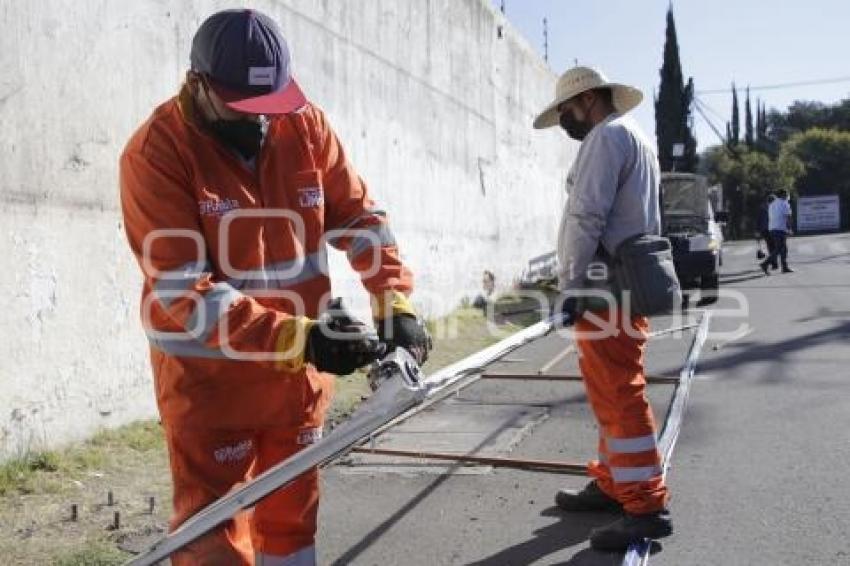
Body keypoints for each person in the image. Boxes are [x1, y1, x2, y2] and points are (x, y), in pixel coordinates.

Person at [119, 9, 431, 565]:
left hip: (295, 388)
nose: (263, 120)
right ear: (198, 86)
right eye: (247, 107)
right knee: (211, 538)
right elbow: (184, 291)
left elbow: (361, 220)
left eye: (273, 104)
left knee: (292, 528)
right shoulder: (156, 153)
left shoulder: (304, 126)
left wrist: (394, 299)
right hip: (210, 386)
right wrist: (304, 338)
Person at [533, 66, 672, 552]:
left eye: (567, 111)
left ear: (588, 100)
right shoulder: (636, 138)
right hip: (624, 282)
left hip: (605, 286)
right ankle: (615, 482)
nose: (566, 121)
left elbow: (586, 214)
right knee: (609, 392)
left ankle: (645, 507)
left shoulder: (604, 138)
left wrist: (569, 285)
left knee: (619, 393)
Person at [760, 189, 794, 274]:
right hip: (780, 229)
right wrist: (789, 229)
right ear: (783, 195)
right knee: (779, 248)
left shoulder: (772, 204)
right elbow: (788, 217)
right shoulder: (784, 204)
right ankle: (765, 264)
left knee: (783, 249)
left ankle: (784, 267)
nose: (787, 196)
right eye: (786, 195)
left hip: (772, 229)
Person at [756, 193, 778, 269]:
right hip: (771, 229)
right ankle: (773, 263)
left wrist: (757, 230)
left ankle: (773, 263)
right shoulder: (773, 208)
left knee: (771, 246)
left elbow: (758, 220)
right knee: (775, 247)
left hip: (764, 230)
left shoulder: (762, 208)